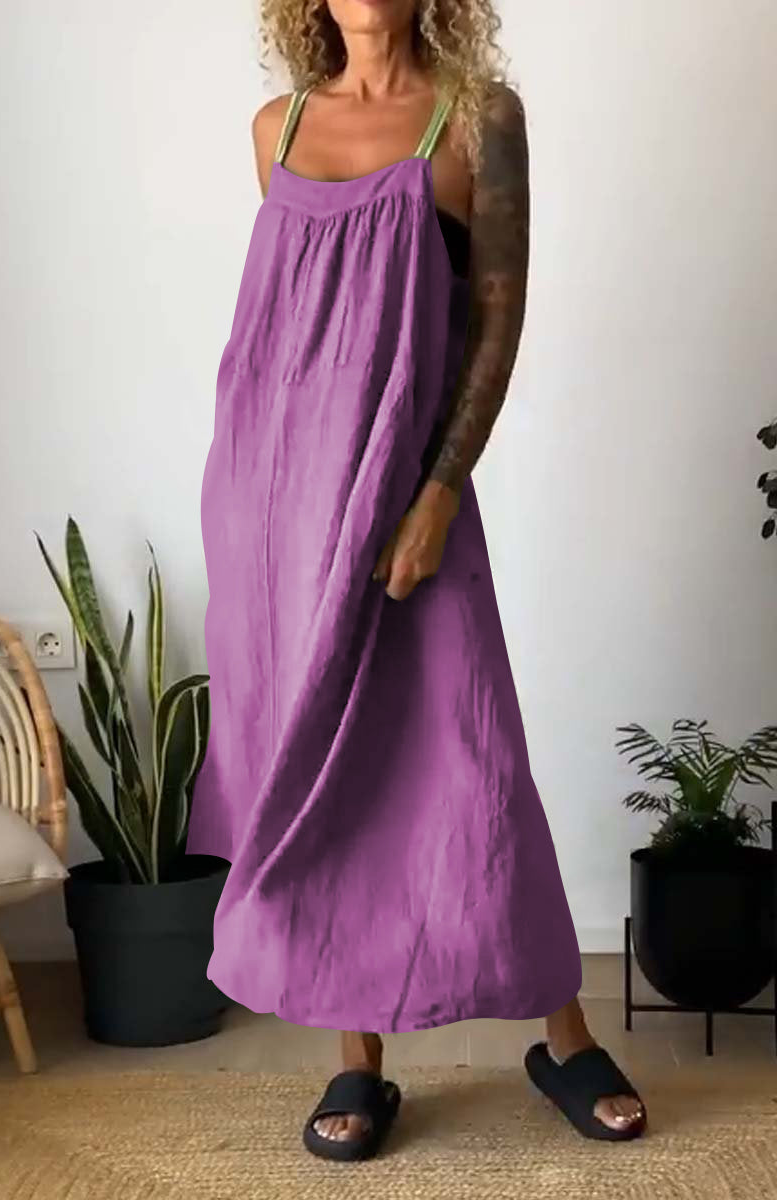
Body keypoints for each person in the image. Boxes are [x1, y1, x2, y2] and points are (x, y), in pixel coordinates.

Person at [186, 0, 647, 1160]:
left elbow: (493, 321)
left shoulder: (478, 119)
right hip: (271, 503)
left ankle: (563, 1035)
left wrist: (438, 492)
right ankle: (357, 1063)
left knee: (470, 758)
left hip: (405, 497)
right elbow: (296, 340)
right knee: (325, 765)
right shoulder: (275, 127)